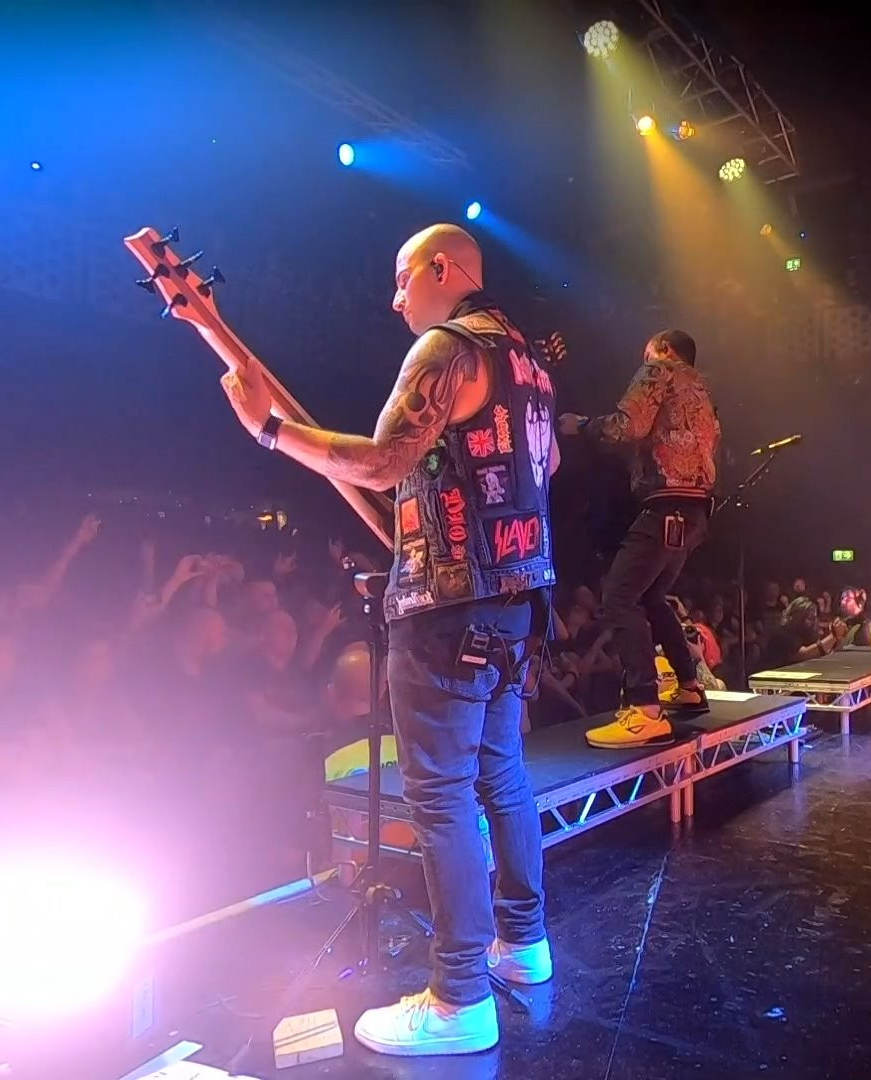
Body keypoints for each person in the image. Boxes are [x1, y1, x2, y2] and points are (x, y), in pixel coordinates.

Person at [217, 223, 557, 1056]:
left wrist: (270, 429)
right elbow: (539, 469)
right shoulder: (527, 362)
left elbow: (378, 462)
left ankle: (459, 998)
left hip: (447, 610)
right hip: (520, 598)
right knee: (503, 777)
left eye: (403, 278)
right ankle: (524, 944)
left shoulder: (446, 349)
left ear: (444, 269)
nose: (395, 297)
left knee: (440, 796)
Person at [558, 329, 720, 749]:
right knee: (651, 596)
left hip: (667, 503)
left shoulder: (660, 370)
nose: (644, 360)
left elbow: (626, 426)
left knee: (617, 596)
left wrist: (582, 426)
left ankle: (644, 709)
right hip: (696, 509)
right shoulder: (703, 391)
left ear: (664, 349)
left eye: (647, 352)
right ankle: (689, 685)